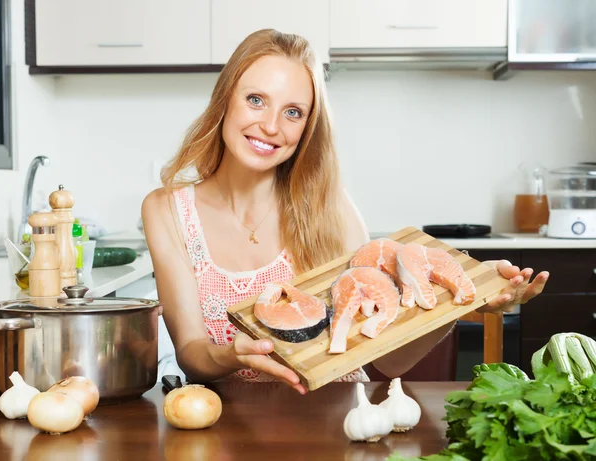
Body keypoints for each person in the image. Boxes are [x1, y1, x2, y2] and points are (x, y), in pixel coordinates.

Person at [141, 29, 549, 396]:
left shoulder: (330, 207)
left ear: (307, 128)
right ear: (225, 99)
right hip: (228, 429)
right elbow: (193, 353)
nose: (270, 125)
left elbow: (386, 361)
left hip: (337, 421)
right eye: (255, 100)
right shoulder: (167, 211)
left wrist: (458, 299)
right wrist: (234, 355)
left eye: (293, 112)